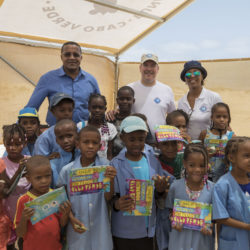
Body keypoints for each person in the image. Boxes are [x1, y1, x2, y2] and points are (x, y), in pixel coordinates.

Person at [111, 116, 170, 250]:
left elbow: (157, 194)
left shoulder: (152, 161)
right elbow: (110, 197)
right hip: (123, 231)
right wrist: (117, 204)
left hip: (147, 230)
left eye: (141, 139)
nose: (137, 143)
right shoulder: (115, 164)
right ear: (122, 137)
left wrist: (161, 190)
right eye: (132, 139)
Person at [57, 125, 117, 250]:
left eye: (94, 143)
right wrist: (71, 219)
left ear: (100, 146)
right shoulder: (67, 171)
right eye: (86, 142)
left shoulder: (106, 167)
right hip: (78, 229)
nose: (90, 146)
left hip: (100, 229)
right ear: (77, 144)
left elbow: (108, 198)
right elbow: (62, 202)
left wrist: (110, 180)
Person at [26, 41, 100, 126]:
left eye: (76, 55)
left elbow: (99, 107)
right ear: (61, 57)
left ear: (81, 57)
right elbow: (31, 109)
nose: (72, 58)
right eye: (67, 54)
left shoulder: (91, 80)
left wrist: (107, 125)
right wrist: (19, 129)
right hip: (56, 134)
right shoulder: (47, 79)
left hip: (84, 133)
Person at [14, 155, 71, 250]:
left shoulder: (56, 196)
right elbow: (20, 233)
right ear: (28, 178)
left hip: (55, 247)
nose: (44, 181)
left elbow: (62, 224)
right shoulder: (23, 200)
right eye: (38, 178)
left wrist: (65, 213)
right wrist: (24, 218)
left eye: (47, 176)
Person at [166, 143, 214, 250]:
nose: (197, 169)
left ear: (208, 165)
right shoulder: (175, 187)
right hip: (179, 242)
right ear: (184, 164)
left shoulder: (213, 189)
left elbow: (216, 217)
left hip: (202, 243)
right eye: (192, 165)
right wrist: (173, 218)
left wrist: (210, 225)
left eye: (202, 165)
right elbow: (169, 210)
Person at [212, 137, 250, 250]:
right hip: (234, 241)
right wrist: (247, 227)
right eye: (247, 156)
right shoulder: (222, 185)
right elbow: (221, 218)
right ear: (231, 158)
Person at [0, 124, 30, 248]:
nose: (12, 148)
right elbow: (5, 191)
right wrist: (19, 171)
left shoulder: (30, 162)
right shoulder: (2, 163)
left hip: (27, 215)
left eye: (17, 144)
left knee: (25, 243)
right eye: (9, 144)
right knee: (10, 245)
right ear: (4, 144)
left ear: (25, 143)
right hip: (8, 215)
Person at [178, 60, 222, 140]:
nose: (192, 76)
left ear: (202, 77)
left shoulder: (214, 97)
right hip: (189, 148)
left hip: (210, 147)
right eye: (188, 74)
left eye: (196, 73)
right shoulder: (181, 102)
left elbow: (223, 123)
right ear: (185, 79)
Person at [199, 102, 235, 182]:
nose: (222, 119)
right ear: (212, 117)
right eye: (218, 116)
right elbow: (197, 153)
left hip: (225, 175)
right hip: (206, 174)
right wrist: (206, 154)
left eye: (225, 117)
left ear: (228, 118)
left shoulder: (232, 136)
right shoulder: (205, 134)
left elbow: (235, 156)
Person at [77, 94, 117, 160]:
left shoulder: (108, 128)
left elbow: (109, 153)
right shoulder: (81, 126)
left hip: (102, 166)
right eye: (94, 107)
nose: (97, 110)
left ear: (105, 109)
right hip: (84, 166)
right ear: (89, 108)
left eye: (100, 108)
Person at [50, 119, 80, 188]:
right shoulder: (53, 165)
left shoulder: (85, 156)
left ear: (77, 136)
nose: (65, 141)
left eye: (69, 136)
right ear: (56, 141)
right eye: (61, 137)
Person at [112, 86, 135, 157]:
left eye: (128, 99)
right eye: (122, 99)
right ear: (117, 100)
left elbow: (148, 142)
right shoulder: (110, 120)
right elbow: (105, 138)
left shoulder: (138, 120)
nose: (125, 101)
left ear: (133, 101)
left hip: (132, 158)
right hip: (113, 158)